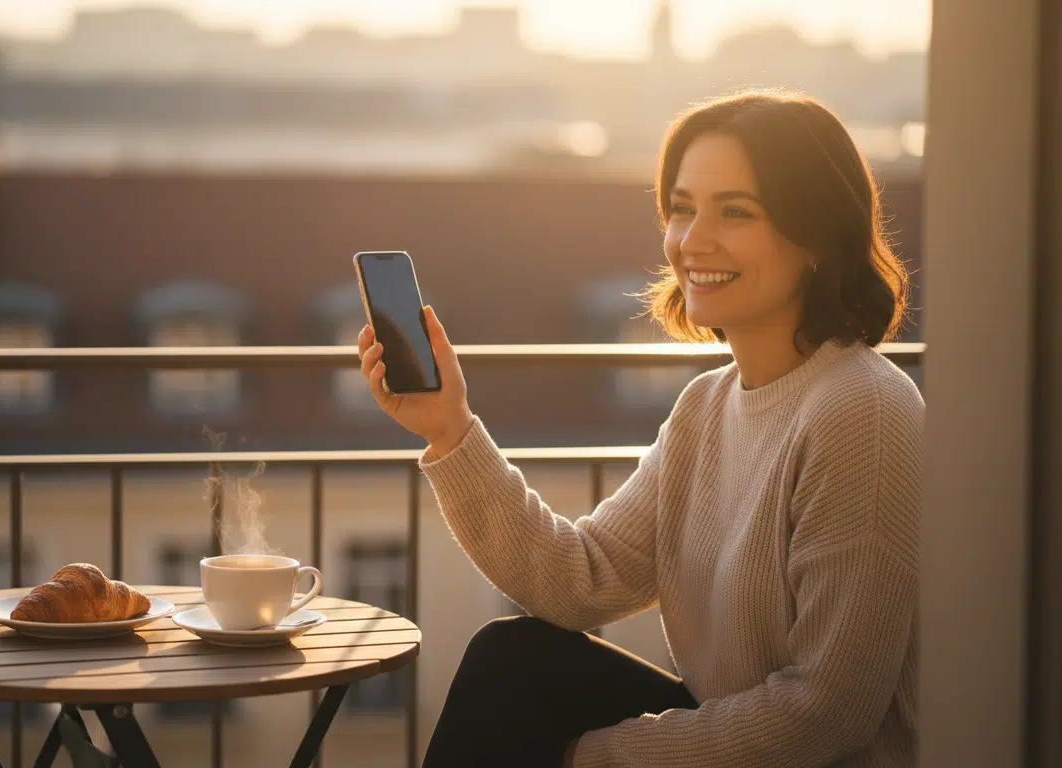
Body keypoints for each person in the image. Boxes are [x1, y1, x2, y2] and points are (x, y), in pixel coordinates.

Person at [355, 88, 921, 767]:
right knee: (514, 659)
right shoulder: (705, 407)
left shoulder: (862, 411)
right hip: (735, 734)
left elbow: (827, 715)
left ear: (816, 238)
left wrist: (588, 758)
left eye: (735, 212)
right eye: (680, 210)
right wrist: (450, 430)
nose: (692, 241)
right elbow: (580, 578)